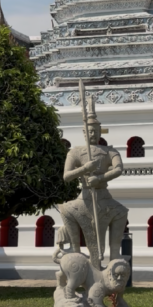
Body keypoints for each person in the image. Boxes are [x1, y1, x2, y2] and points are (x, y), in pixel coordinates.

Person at [58, 100, 127, 270]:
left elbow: (119, 169)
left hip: (103, 195)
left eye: (96, 131)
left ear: (100, 131)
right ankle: (75, 250)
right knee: (66, 210)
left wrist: (100, 178)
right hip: (84, 196)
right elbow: (66, 176)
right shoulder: (75, 152)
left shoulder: (109, 151)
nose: (93, 134)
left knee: (121, 212)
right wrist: (85, 169)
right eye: (89, 131)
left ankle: (114, 255)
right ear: (84, 132)